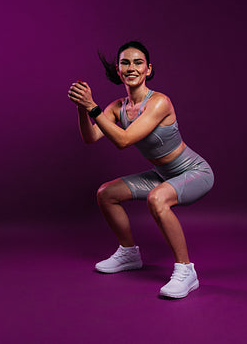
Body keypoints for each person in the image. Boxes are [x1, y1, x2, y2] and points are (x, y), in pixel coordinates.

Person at [68, 41, 214, 299]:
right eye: (125, 62)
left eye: (138, 62)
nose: (131, 67)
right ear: (118, 69)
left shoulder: (158, 103)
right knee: (106, 193)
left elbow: (124, 140)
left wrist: (92, 107)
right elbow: (91, 136)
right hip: (161, 174)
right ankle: (128, 254)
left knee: (157, 199)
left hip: (194, 172)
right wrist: (83, 109)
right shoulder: (117, 107)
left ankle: (186, 271)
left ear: (148, 69)